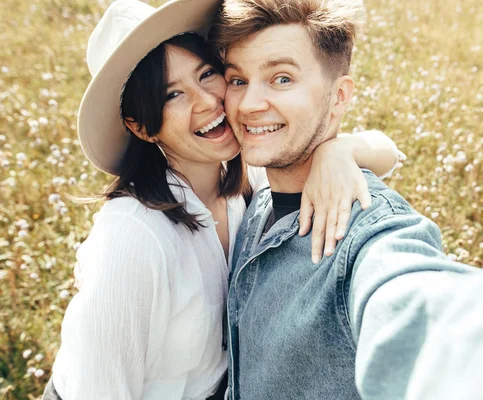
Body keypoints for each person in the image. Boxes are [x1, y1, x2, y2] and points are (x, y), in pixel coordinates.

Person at [211, 0, 483, 399]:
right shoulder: (258, 197)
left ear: (340, 96)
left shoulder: (365, 235)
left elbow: (420, 308)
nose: (249, 104)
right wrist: (346, 148)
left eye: (281, 79)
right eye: (238, 80)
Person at [42, 0, 402, 399]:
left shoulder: (247, 178)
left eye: (208, 74)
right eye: (173, 94)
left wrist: (341, 150)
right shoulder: (132, 237)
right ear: (142, 127)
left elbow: (388, 154)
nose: (207, 102)